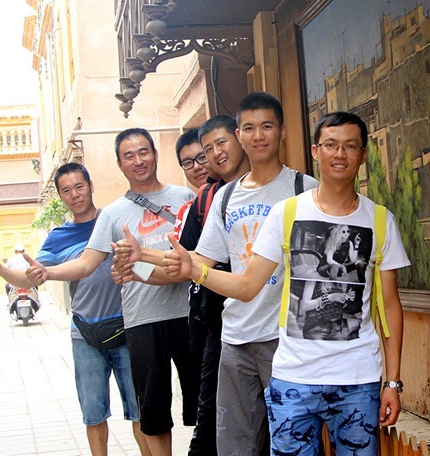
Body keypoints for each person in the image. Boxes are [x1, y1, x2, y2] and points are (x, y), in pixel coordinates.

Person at [162, 111, 409, 455]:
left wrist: (392, 382)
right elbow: (248, 285)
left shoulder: (380, 221)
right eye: (331, 145)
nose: (340, 154)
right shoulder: (287, 213)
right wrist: (196, 271)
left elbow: (391, 307)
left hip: (357, 379)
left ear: (363, 154)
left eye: (350, 146)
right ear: (315, 151)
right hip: (294, 379)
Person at [115, 93, 317, 456]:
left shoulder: (306, 191)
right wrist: (141, 255)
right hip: (235, 336)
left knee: (294, 441)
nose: (258, 136)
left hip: (288, 339)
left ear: (282, 131)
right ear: (241, 134)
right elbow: (197, 261)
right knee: (234, 444)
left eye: (267, 126)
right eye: (249, 128)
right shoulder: (224, 198)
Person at [25, 129, 197, 456]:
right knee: (153, 413)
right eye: (129, 156)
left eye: (143, 152)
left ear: (155, 154)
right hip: (142, 321)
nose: (138, 160)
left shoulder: (184, 198)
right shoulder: (113, 214)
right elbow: (87, 263)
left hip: (189, 315)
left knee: (203, 401)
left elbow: (199, 255)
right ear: (119, 164)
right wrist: (48, 272)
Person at [0, 163, 148, 456]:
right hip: (85, 334)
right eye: (66, 190)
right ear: (60, 196)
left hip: (127, 328)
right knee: (93, 414)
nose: (74, 195)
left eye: (79, 186)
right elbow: (33, 276)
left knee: (140, 410)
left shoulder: (113, 221)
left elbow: (141, 264)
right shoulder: (59, 237)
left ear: (91, 186)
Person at [178, 115, 249, 456]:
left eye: (221, 143)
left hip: (276, 325)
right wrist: (141, 261)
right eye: (208, 149)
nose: (215, 154)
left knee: (278, 419)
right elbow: (190, 260)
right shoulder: (209, 198)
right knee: (212, 417)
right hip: (220, 325)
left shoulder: (290, 189)